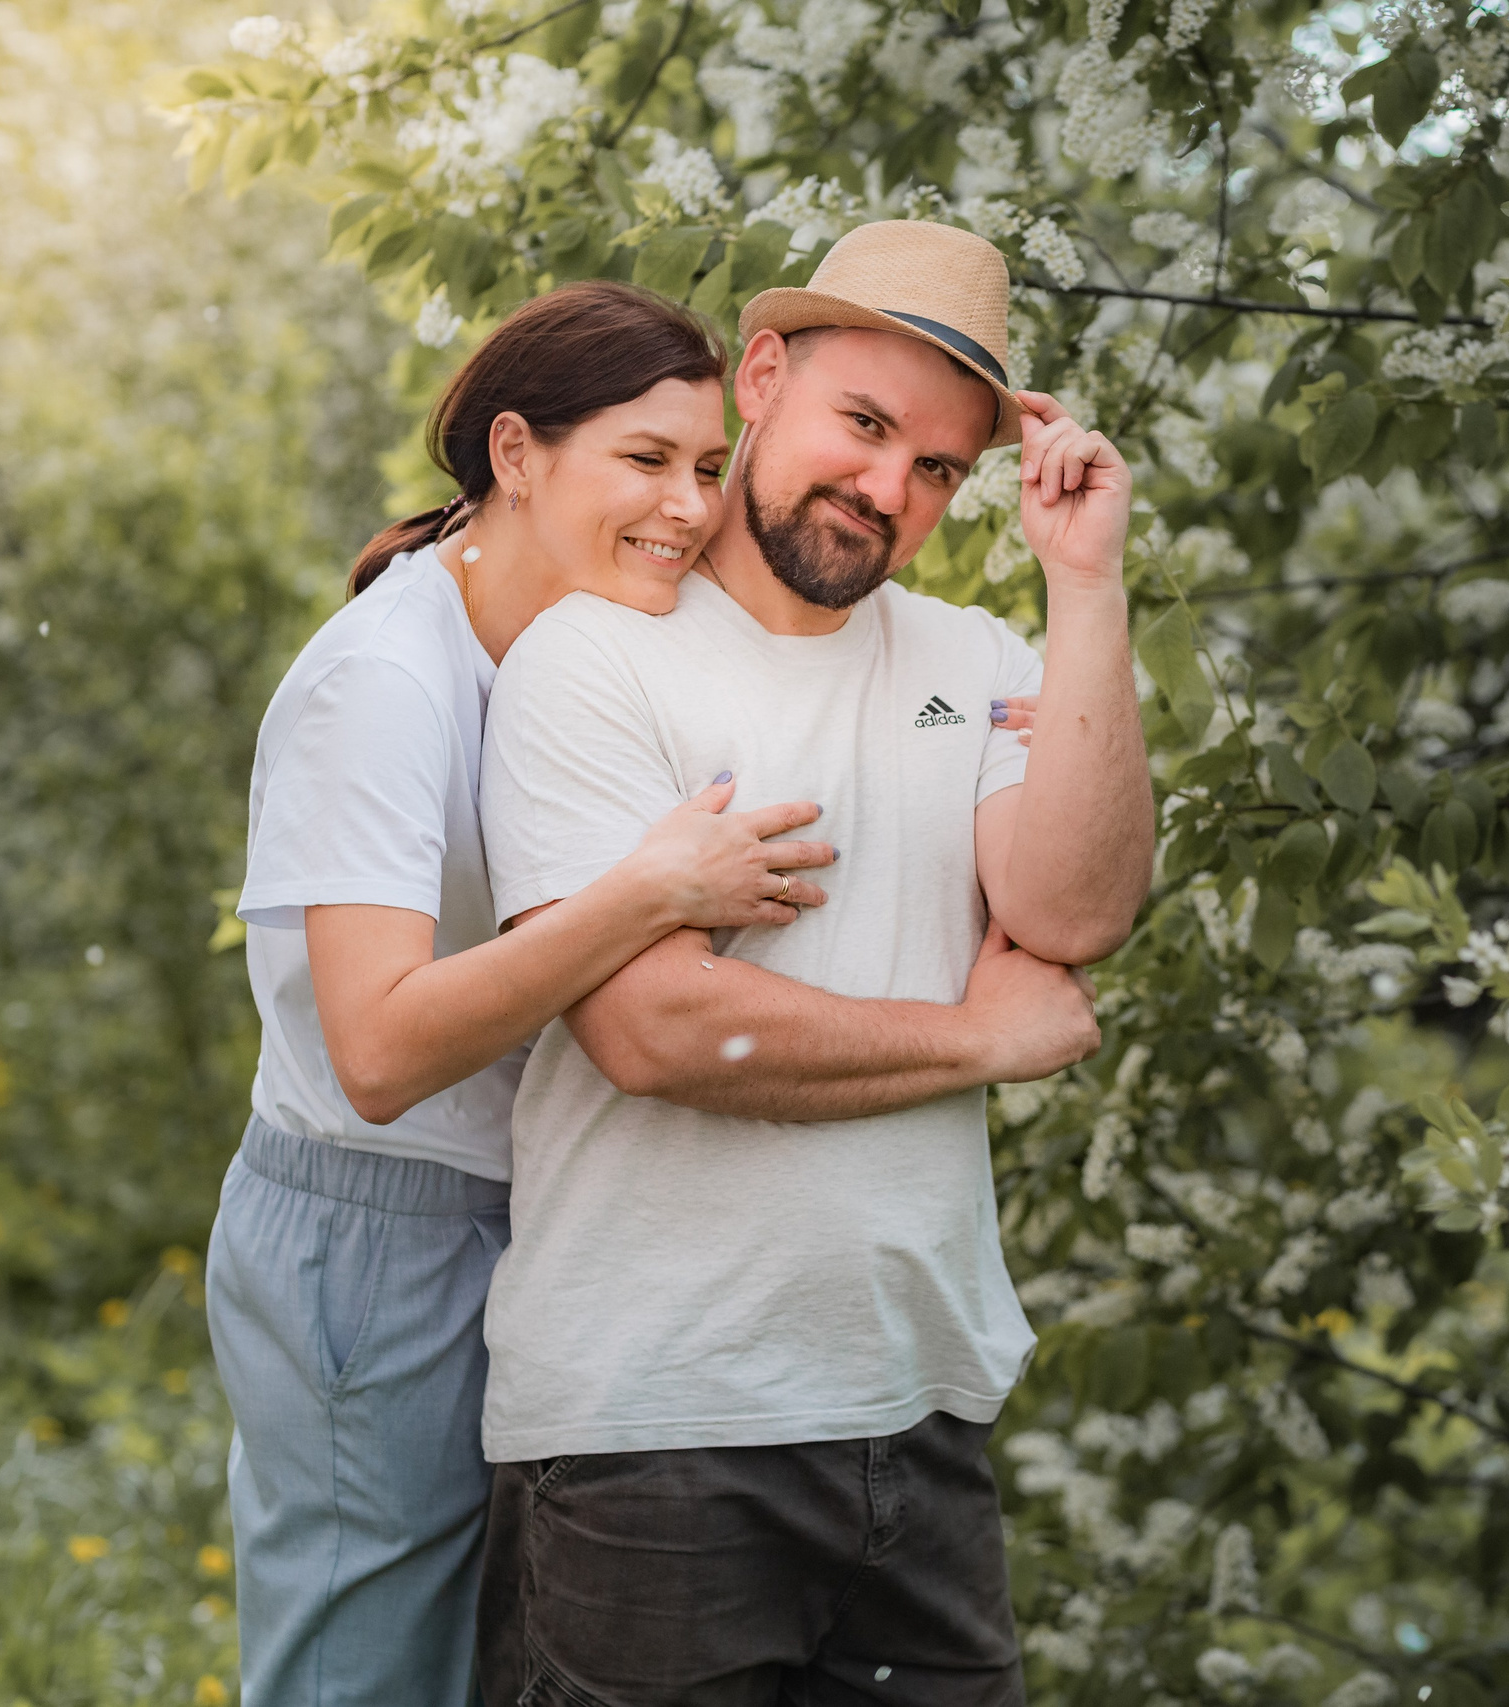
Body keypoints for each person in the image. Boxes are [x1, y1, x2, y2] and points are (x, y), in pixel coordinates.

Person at [473, 220, 1155, 1706]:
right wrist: (978, 1038)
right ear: (762, 379)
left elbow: (1079, 911)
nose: (887, 489)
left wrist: (1086, 587)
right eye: (864, 424)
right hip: (654, 1431)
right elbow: (656, 1031)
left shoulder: (974, 659)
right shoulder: (596, 659)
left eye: (937, 469)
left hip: (917, 1424)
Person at [204, 282, 845, 1707]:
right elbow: (375, 1050)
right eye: (645, 460)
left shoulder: (564, 658)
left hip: (518, 1230)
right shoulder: (383, 681)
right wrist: (650, 893)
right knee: (360, 1683)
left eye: (704, 466)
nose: (688, 507)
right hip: (376, 1243)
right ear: (514, 453)